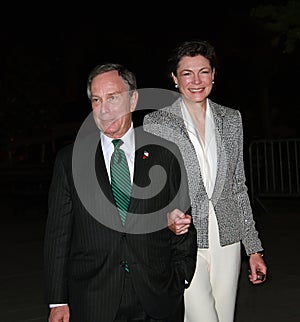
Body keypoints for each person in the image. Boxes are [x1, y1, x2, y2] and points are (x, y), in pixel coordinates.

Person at [43, 62, 197, 322]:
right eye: (96, 99)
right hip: (94, 299)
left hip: (156, 296)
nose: (104, 110)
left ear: (133, 99)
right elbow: (58, 234)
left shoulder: (164, 154)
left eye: (113, 98)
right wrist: (58, 300)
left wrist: (180, 275)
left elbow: (183, 220)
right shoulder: (70, 161)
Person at [143, 40, 267, 322]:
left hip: (228, 238)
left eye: (204, 72)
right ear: (174, 78)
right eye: (187, 73)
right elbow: (152, 191)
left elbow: (238, 185)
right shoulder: (157, 123)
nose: (196, 81)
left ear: (214, 75)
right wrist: (166, 219)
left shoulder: (231, 120)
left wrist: (254, 248)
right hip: (184, 239)